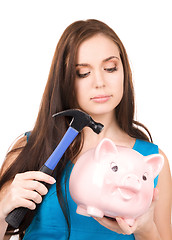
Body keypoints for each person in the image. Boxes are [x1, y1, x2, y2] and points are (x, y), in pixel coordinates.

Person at [0, 19, 171, 240]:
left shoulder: (152, 160)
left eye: (110, 68)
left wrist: (145, 228)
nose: (99, 82)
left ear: (124, 72)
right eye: (83, 73)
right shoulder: (31, 147)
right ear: (65, 80)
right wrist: (3, 208)